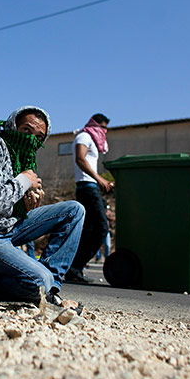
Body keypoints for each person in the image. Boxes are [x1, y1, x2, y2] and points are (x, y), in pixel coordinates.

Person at [0, 106, 85, 311]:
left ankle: (50, 289)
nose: (32, 139)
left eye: (39, 137)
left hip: (6, 227)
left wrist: (25, 204)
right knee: (39, 281)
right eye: (26, 130)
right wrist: (24, 181)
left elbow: (8, 203)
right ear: (13, 125)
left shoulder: (21, 157)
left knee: (74, 211)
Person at [67, 113, 114, 284]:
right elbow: (80, 158)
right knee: (101, 229)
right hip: (87, 187)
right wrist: (99, 178)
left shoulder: (93, 139)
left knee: (88, 230)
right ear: (95, 124)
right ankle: (75, 267)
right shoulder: (84, 136)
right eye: (102, 127)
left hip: (92, 187)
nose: (104, 131)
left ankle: (74, 269)